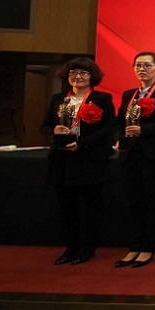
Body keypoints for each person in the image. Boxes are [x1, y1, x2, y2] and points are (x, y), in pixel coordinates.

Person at [40, 57, 117, 265]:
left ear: (92, 77)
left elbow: (109, 127)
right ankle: (71, 247)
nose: (78, 76)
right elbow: (44, 126)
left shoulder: (102, 99)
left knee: (91, 206)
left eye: (83, 73)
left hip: (90, 159)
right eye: (73, 72)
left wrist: (82, 144)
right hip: (62, 159)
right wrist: (54, 131)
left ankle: (88, 248)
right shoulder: (58, 99)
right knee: (67, 206)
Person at [115, 52, 155, 269]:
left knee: (153, 201)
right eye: (138, 65)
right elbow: (119, 121)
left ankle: (148, 247)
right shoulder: (128, 94)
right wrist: (119, 137)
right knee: (132, 201)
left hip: (154, 154)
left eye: (147, 65)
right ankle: (134, 246)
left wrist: (145, 130)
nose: (142, 69)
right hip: (130, 154)